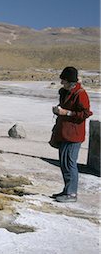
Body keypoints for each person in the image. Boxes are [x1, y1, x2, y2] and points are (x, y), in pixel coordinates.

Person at [51, 66, 92, 203]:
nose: (61, 83)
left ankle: (72, 193)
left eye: (64, 80)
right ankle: (67, 190)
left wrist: (66, 113)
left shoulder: (80, 94)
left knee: (70, 163)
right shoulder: (65, 92)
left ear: (70, 81)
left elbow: (85, 113)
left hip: (73, 135)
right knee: (64, 163)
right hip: (64, 132)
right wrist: (58, 110)